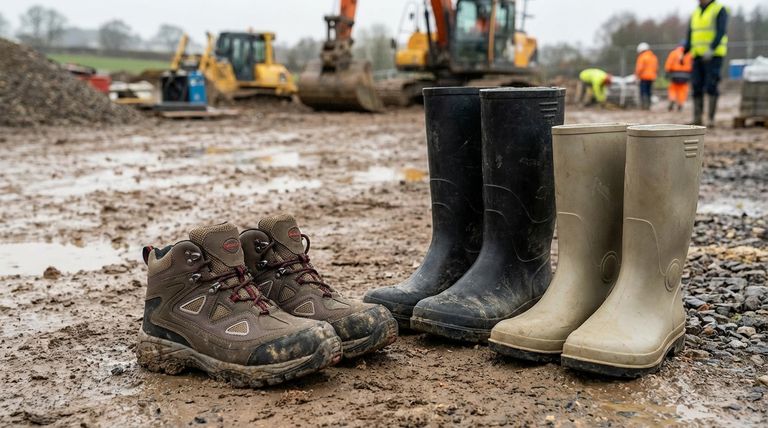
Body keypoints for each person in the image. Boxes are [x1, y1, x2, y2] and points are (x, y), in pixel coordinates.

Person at [684, 0, 729, 126]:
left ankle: (710, 118)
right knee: (696, 86)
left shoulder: (719, 9)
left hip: (713, 55)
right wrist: (685, 51)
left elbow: (721, 31)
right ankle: (697, 118)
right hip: (697, 55)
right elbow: (690, 33)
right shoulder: (696, 12)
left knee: (711, 85)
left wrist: (712, 48)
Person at [665, 43, 694, 111]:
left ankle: (672, 99)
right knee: (682, 90)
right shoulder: (689, 54)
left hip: (674, 74)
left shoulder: (673, 53)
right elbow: (692, 64)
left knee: (673, 88)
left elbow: (669, 63)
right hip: (685, 75)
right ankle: (680, 104)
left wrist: (667, 72)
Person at [635, 42, 659, 110]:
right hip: (652, 77)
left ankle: (643, 106)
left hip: (644, 77)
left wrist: (637, 76)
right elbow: (656, 67)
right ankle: (648, 105)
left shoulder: (642, 57)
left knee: (643, 92)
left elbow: (639, 68)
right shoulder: (653, 57)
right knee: (649, 92)